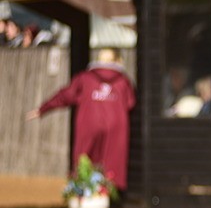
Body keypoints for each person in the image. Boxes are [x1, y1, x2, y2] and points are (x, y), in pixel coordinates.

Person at [25, 48, 137, 191]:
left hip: (89, 123)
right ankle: (107, 196)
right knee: (111, 163)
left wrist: (43, 109)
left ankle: (84, 194)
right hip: (116, 127)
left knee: (85, 160)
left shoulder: (85, 78)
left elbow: (66, 95)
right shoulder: (124, 81)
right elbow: (131, 103)